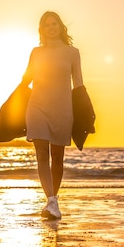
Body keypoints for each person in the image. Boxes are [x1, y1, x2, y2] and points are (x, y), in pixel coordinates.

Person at [20, 11, 84, 219]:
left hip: (62, 109)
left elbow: (79, 83)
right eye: (47, 24)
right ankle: (51, 201)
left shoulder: (72, 52)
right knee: (41, 154)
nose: (51, 27)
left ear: (60, 26)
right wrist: (13, 101)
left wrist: (85, 111)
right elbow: (26, 78)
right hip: (37, 106)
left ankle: (53, 199)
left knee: (57, 158)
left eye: (54, 23)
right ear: (42, 29)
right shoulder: (36, 52)